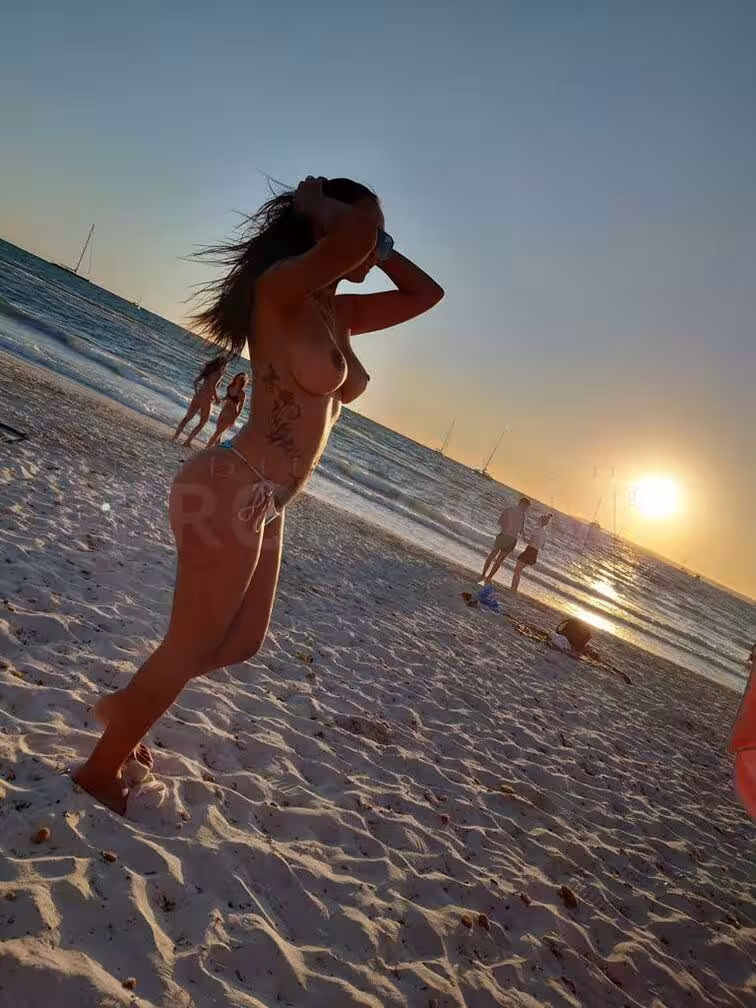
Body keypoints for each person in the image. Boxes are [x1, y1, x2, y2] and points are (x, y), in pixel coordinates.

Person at [73, 175, 443, 813]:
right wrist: (320, 207)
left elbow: (426, 294)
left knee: (243, 641)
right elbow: (352, 236)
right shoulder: (280, 291)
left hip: (266, 502)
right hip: (228, 486)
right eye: (372, 230)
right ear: (326, 224)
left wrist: (375, 245)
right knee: (189, 643)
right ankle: (99, 770)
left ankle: (128, 707)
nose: (376, 243)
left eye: (383, 237)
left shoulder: (336, 314)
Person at [172, 357, 225, 445]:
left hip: (198, 395)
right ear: (222, 365)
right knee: (203, 421)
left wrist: (197, 391)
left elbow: (195, 382)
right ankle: (187, 442)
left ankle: (175, 437)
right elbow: (212, 387)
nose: (225, 366)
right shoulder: (219, 373)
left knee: (187, 417)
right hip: (207, 398)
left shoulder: (208, 370)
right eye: (225, 364)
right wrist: (217, 398)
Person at [480, 497, 530, 583]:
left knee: (495, 558)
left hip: (508, 538)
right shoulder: (516, 513)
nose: (526, 509)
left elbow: (501, 522)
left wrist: (525, 537)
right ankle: (485, 576)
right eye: (526, 507)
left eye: (527, 508)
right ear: (522, 504)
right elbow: (520, 530)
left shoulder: (515, 512)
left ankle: (486, 576)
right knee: (495, 557)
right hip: (508, 538)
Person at [511, 512, 553, 591]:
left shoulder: (536, 530)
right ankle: (513, 588)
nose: (537, 520)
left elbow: (530, 542)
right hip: (534, 553)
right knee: (518, 570)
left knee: (517, 571)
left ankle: (513, 588)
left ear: (540, 521)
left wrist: (524, 537)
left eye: (539, 519)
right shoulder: (545, 534)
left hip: (529, 551)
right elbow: (542, 547)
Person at [207, 372, 249, 448]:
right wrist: (219, 399)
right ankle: (218, 450)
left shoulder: (242, 393)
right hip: (223, 411)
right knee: (218, 434)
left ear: (243, 382)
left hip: (231, 414)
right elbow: (226, 397)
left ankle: (206, 449)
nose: (239, 380)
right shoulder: (230, 387)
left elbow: (240, 408)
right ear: (236, 377)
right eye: (238, 378)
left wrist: (234, 419)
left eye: (241, 379)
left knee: (216, 434)